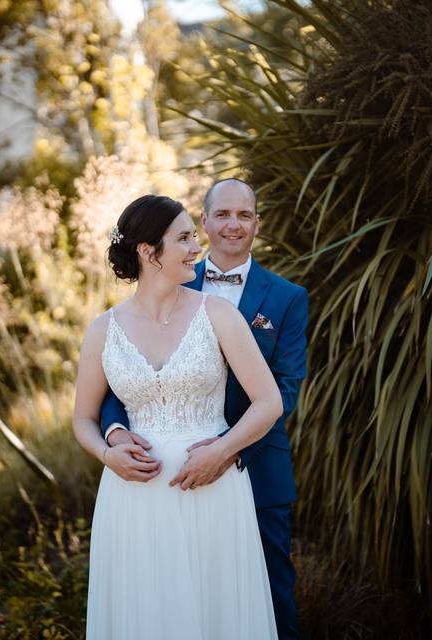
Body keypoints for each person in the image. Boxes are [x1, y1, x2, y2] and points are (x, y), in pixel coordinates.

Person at [102, 179, 308, 639]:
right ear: (204, 222)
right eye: (222, 215)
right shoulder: (165, 278)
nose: (233, 225)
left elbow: (285, 387)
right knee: (168, 599)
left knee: (268, 600)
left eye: (245, 215)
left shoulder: (287, 297)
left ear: (257, 222)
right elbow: (125, 379)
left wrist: (225, 447)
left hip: (256, 464)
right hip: (161, 476)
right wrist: (114, 433)